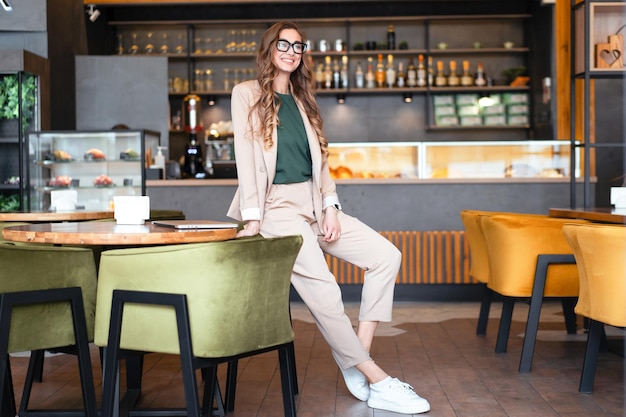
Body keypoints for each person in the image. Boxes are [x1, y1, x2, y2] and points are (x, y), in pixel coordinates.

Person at [227, 21, 430, 415]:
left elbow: (321, 164)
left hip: (315, 204)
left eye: (298, 46)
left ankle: (354, 354)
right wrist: (252, 217)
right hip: (275, 208)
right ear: (269, 48)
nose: (290, 50)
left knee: (386, 256)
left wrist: (331, 207)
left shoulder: (304, 100)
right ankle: (379, 380)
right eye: (283, 43)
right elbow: (246, 158)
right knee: (326, 292)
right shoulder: (246, 95)